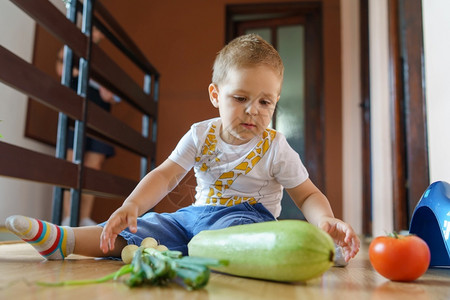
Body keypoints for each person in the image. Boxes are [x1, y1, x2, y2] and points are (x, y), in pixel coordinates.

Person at [5, 34, 360, 264]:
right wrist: (132, 205)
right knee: (147, 228)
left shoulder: (275, 146)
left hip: (245, 221)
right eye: (240, 98)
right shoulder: (199, 134)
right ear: (215, 95)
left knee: (231, 231)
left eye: (265, 102)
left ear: (276, 102)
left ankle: (299, 252)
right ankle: (64, 240)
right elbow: (166, 175)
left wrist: (323, 219)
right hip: (195, 217)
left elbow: (307, 193)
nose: (253, 110)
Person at [55, 28, 117, 227]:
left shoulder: (102, 59)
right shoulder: (72, 47)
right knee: (71, 164)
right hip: (76, 107)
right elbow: (60, 67)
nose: (101, 34)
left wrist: (109, 92)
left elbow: (111, 93)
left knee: (93, 167)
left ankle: (83, 217)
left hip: (99, 114)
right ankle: (67, 216)